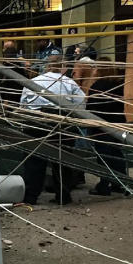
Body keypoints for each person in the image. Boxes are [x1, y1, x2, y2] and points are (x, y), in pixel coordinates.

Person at [19, 54, 85, 205]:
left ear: (47, 66)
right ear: (63, 67)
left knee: (34, 161)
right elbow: (81, 103)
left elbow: (23, 104)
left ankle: (31, 197)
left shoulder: (34, 81)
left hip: (37, 121)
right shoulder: (70, 83)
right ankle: (63, 196)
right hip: (63, 122)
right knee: (62, 161)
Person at [79, 57, 131, 196]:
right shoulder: (118, 84)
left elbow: (91, 108)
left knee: (103, 156)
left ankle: (104, 185)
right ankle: (120, 183)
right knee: (116, 154)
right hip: (117, 123)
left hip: (101, 126)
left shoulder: (97, 86)